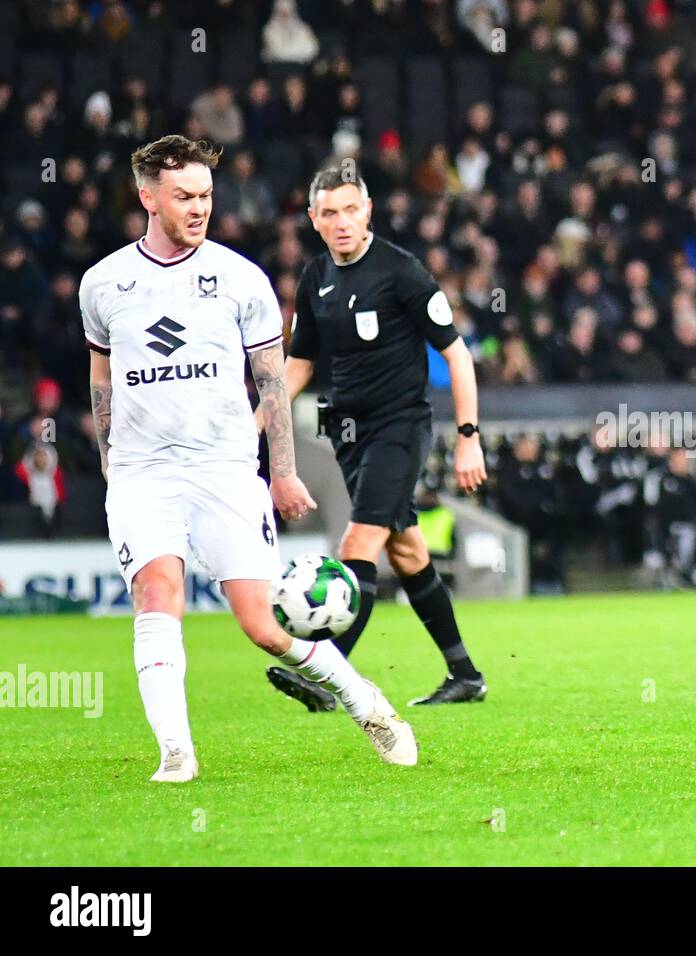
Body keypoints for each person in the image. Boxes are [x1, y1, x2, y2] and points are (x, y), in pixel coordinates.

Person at [80, 135, 417, 782]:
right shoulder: (104, 283)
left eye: (207, 195)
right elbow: (101, 375)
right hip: (142, 473)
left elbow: (273, 383)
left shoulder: (242, 280)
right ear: (148, 198)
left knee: (262, 625)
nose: (200, 207)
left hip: (225, 470)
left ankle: (364, 701)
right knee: (156, 592)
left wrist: (283, 471)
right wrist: (107, 457)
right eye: (184, 196)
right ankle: (176, 752)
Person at [264, 165, 490, 712]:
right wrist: (256, 427)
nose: (341, 222)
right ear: (314, 221)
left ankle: (327, 677)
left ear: (368, 211)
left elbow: (457, 354)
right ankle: (465, 674)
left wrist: (468, 437)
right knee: (407, 551)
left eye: (350, 210)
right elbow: (299, 366)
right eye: (329, 213)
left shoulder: (401, 272)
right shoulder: (315, 277)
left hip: (399, 427)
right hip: (347, 432)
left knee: (357, 543)